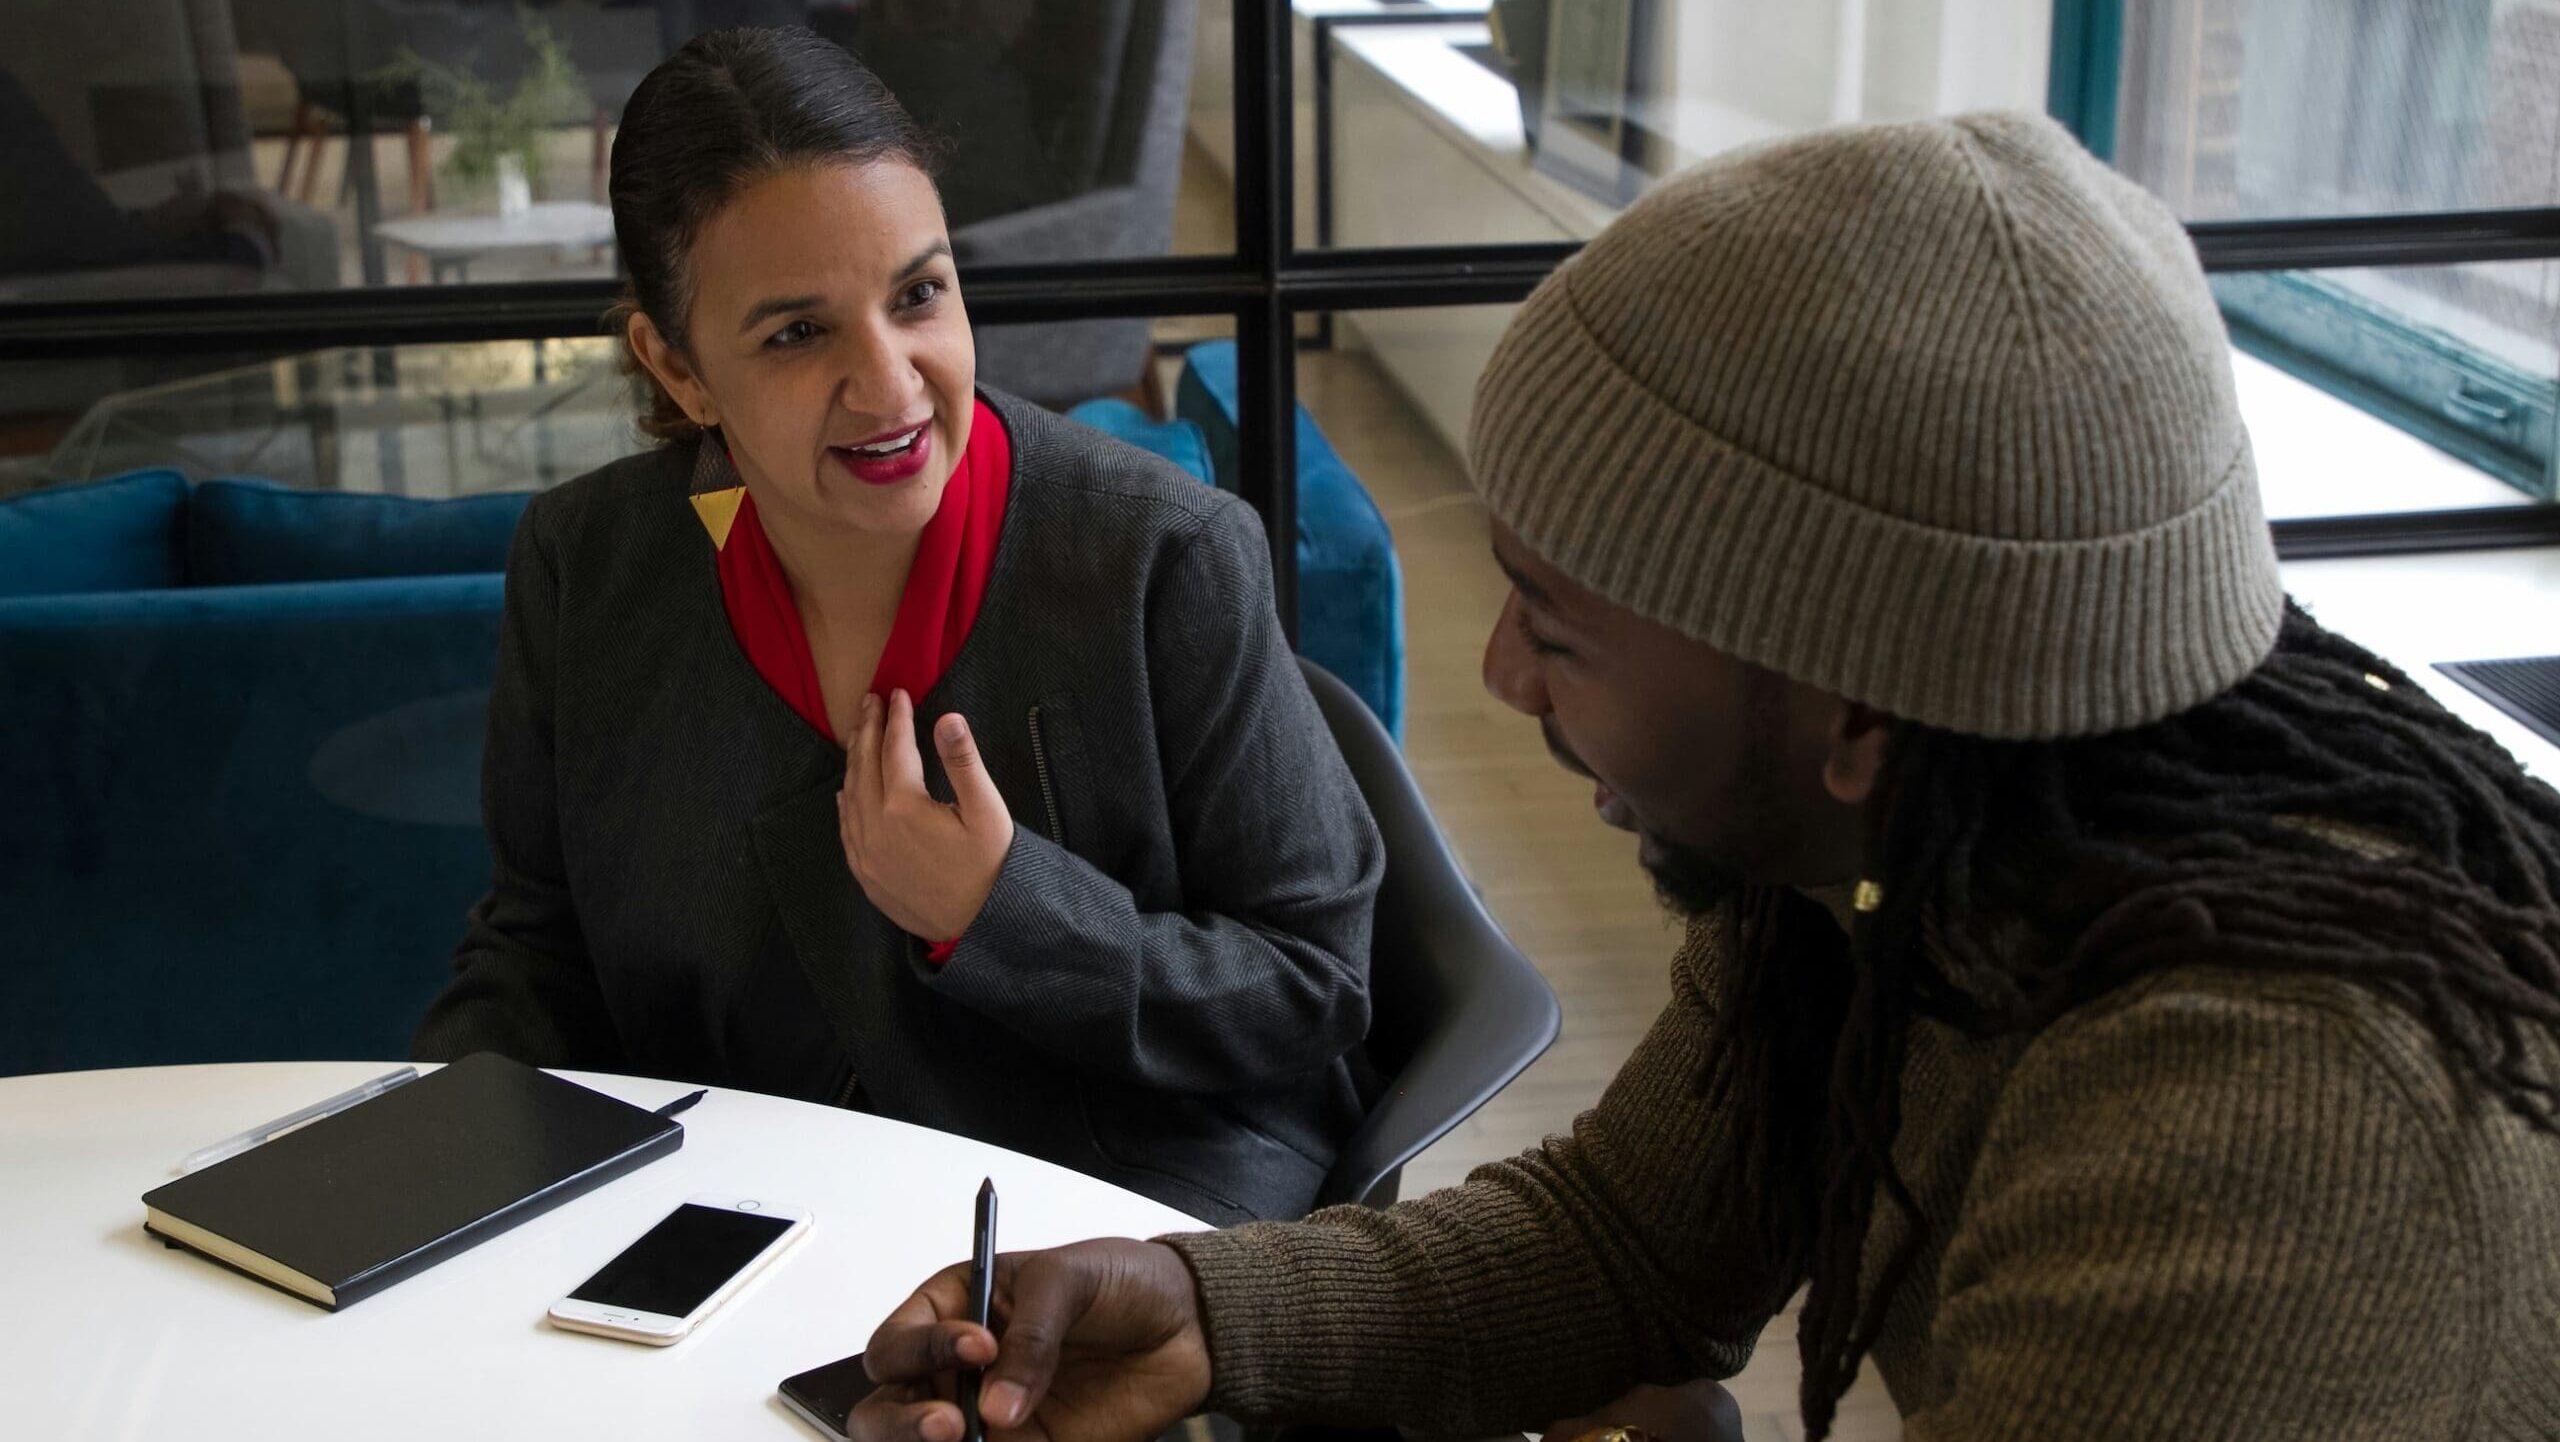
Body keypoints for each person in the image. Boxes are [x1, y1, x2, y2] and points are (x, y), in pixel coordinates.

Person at [846, 113, 2560, 1440]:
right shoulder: (1878, 865)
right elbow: (1627, 1237)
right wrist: (1201, 1306)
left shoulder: (2264, 1130)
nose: (1503, 671)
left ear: (1859, 703)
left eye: (1562, 627)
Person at [413, 27, 1383, 1227]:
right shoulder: (585, 566)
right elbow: (536, 952)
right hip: (737, 1223)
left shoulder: (1165, 558)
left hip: (1111, 1210)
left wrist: (1007, 910)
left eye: (918, 294)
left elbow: (1314, 986)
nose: (892, 384)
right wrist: (428, 1158)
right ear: (678, 368)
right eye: (796, 332)